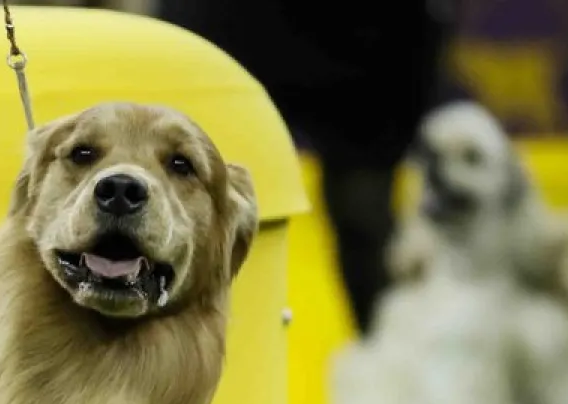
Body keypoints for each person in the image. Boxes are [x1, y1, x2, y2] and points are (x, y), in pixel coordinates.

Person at [159, 0, 459, 335]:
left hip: (372, 42)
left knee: (363, 215)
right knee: (194, 205)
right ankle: (179, 362)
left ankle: (396, 359)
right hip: (235, 28)